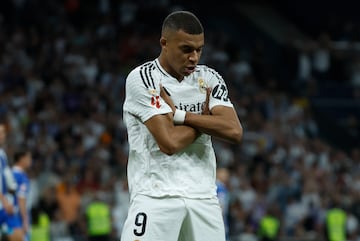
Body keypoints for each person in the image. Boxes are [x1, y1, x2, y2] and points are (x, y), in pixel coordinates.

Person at [121, 10, 243, 241]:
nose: (194, 58)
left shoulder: (209, 78)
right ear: (164, 43)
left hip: (204, 198)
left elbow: (234, 131)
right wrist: (207, 120)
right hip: (156, 196)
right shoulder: (143, 78)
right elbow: (169, 142)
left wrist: (180, 115)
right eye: (186, 49)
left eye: (199, 50)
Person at [0, 122, 20, 241]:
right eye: (0, 132)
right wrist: (5, 201)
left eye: (4, 132)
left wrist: (12, 191)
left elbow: (7, 178)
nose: (3, 135)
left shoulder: (2, 154)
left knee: (17, 237)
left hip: (4, 205)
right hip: (3, 204)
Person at [11, 149, 32, 241]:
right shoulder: (21, 177)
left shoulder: (8, 173)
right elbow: (21, 199)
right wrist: (25, 220)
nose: (30, 160)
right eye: (28, 158)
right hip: (18, 218)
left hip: (7, 215)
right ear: (21, 159)